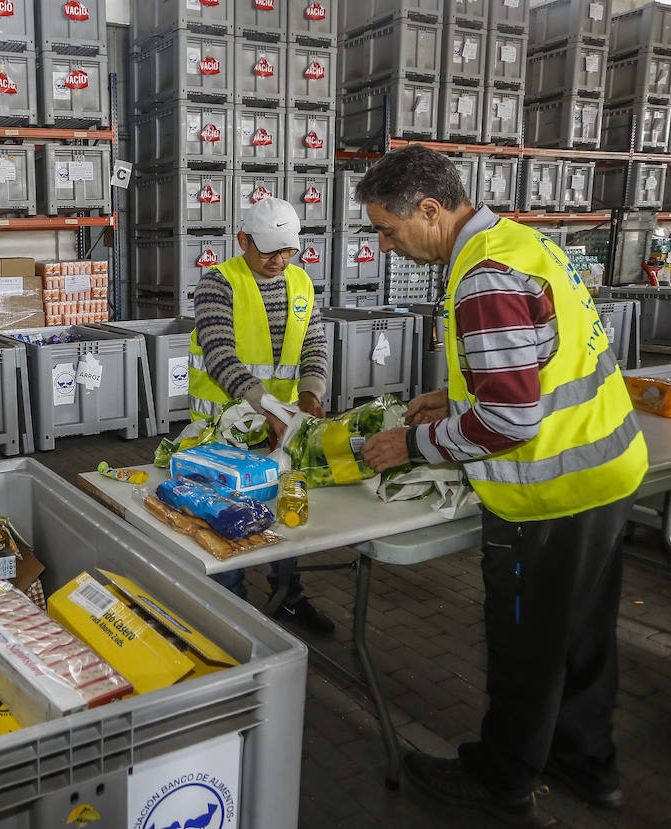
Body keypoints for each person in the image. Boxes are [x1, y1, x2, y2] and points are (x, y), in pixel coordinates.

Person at [355, 144, 647, 824]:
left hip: (551, 491)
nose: (386, 245)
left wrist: (412, 443)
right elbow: (536, 363)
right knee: (582, 635)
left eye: (389, 230)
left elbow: (512, 419)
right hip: (606, 469)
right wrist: (453, 400)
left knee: (528, 647)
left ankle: (502, 780)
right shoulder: (520, 242)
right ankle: (587, 763)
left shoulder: (482, 277)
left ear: (430, 210)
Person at [187, 196, 335, 635]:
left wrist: (310, 393)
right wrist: (267, 405)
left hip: (280, 432)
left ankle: (288, 598)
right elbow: (218, 354)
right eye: (270, 250)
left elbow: (314, 345)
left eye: (288, 250)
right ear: (243, 240)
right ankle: (232, 610)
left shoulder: (302, 283)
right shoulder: (219, 284)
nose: (280, 260)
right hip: (223, 432)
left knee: (281, 515)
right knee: (222, 519)